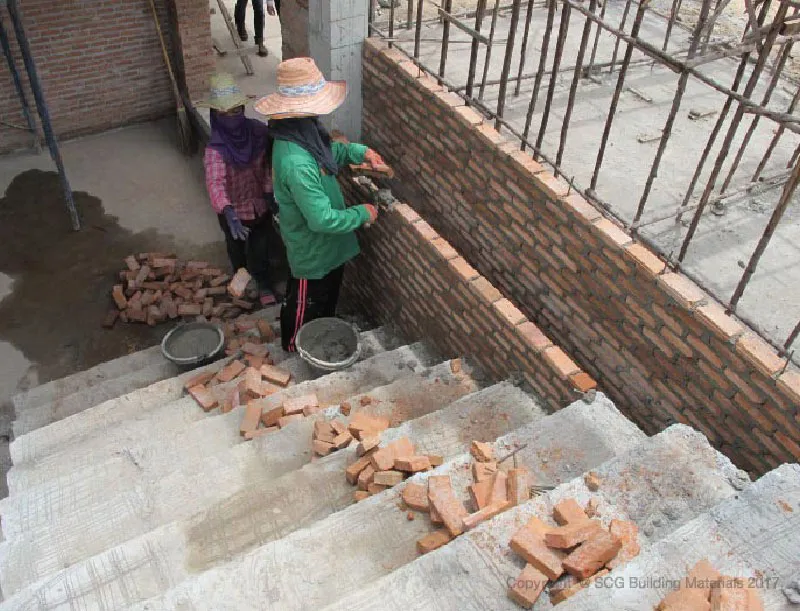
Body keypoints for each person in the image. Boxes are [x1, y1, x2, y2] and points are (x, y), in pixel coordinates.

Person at [254, 57, 385, 352]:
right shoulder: (295, 162)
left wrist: (358, 152)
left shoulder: (303, 132)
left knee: (327, 298)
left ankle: (322, 332)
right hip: (312, 251)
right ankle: (293, 348)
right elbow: (322, 220)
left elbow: (328, 154)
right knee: (304, 304)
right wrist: (361, 212)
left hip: (330, 248)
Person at [200, 72, 279, 306]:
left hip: (260, 205)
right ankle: (241, 280)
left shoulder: (257, 131)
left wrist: (268, 191)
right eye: (226, 114)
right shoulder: (215, 150)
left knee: (261, 247)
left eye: (237, 111)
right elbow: (215, 183)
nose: (233, 118)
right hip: (233, 212)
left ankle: (263, 282)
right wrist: (228, 211)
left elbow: (268, 162)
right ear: (216, 116)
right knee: (236, 248)